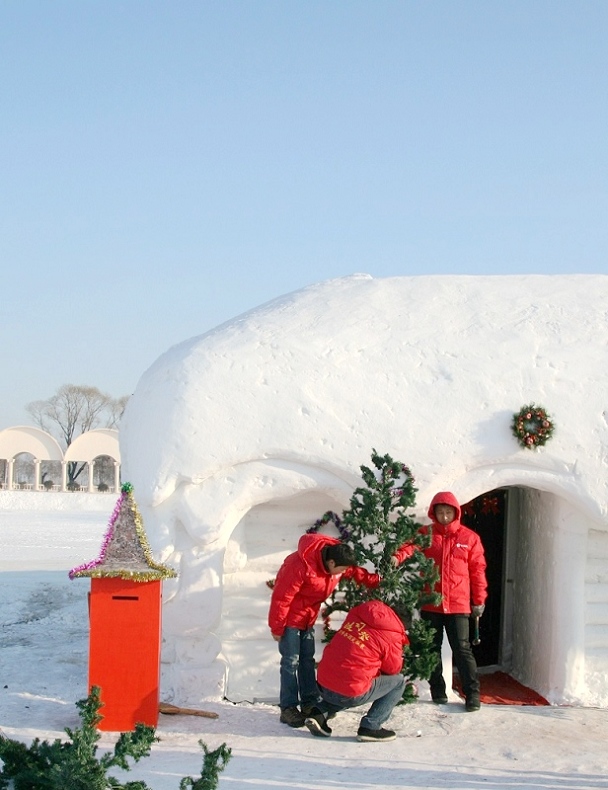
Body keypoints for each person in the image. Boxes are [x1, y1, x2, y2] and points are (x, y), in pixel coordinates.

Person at [268, 533, 379, 728]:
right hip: (290, 619)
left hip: (308, 618)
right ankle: (288, 708)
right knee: (290, 662)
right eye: (341, 569)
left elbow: (355, 573)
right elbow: (281, 598)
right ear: (331, 562)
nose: (343, 572)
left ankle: (310, 703)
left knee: (307, 660)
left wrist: (375, 581)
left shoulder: (337, 563)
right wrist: (277, 627)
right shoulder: (300, 565)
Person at [391, 491, 487, 712]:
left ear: (456, 513)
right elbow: (409, 547)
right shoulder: (426, 534)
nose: (444, 516)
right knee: (431, 648)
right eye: (440, 512)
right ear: (434, 513)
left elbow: (477, 571)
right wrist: (397, 557)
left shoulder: (469, 538)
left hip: (459, 605)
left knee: (462, 649)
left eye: (448, 512)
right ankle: (438, 691)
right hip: (430, 603)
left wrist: (478, 600)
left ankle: (472, 694)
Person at [303, 599, 408, 742]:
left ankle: (319, 713)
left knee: (346, 683)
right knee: (398, 681)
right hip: (349, 691)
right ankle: (371, 726)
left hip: (323, 683)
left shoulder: (357, 616)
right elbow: (393, 668)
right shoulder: (392, 634)